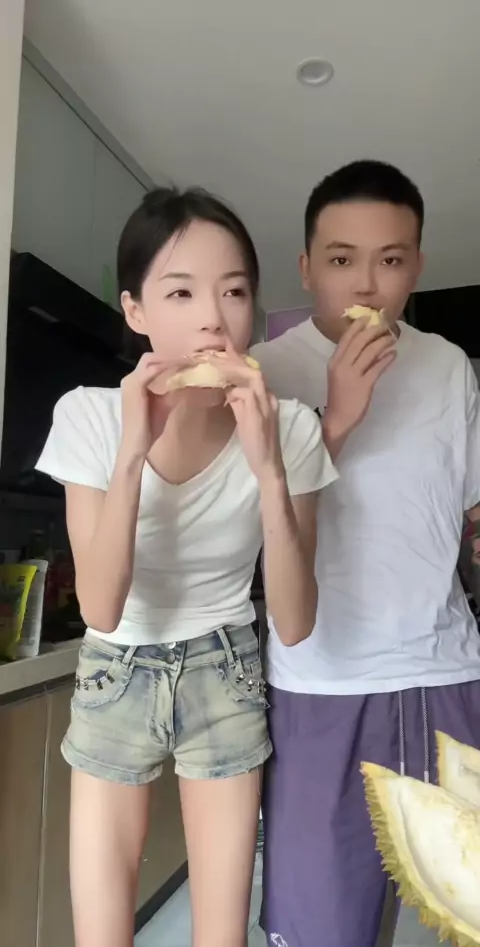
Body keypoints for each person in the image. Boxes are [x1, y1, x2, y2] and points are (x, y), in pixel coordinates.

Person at [36, 187, 337, 947]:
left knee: (221, 934)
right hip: (115, 669)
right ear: (136, 311)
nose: (214, 317)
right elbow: (101, 609)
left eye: (233, 291)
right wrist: (132, 450)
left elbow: (295, 623)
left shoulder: (290, 427)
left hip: (225, 669)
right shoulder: (88, 415)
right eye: (181, 292)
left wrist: (268, 468)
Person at [252, 159, 480, 947]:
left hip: (447, 673)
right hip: (321, 683)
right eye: (342, 258)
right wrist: (336, 418)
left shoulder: (448, 365)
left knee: (466, 914)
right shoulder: (264, 374)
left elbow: (468, 508)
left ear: (417, 265)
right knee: (323, 926)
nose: (367, 283)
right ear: (306, 266)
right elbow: (248, 526)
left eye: (391, 259)